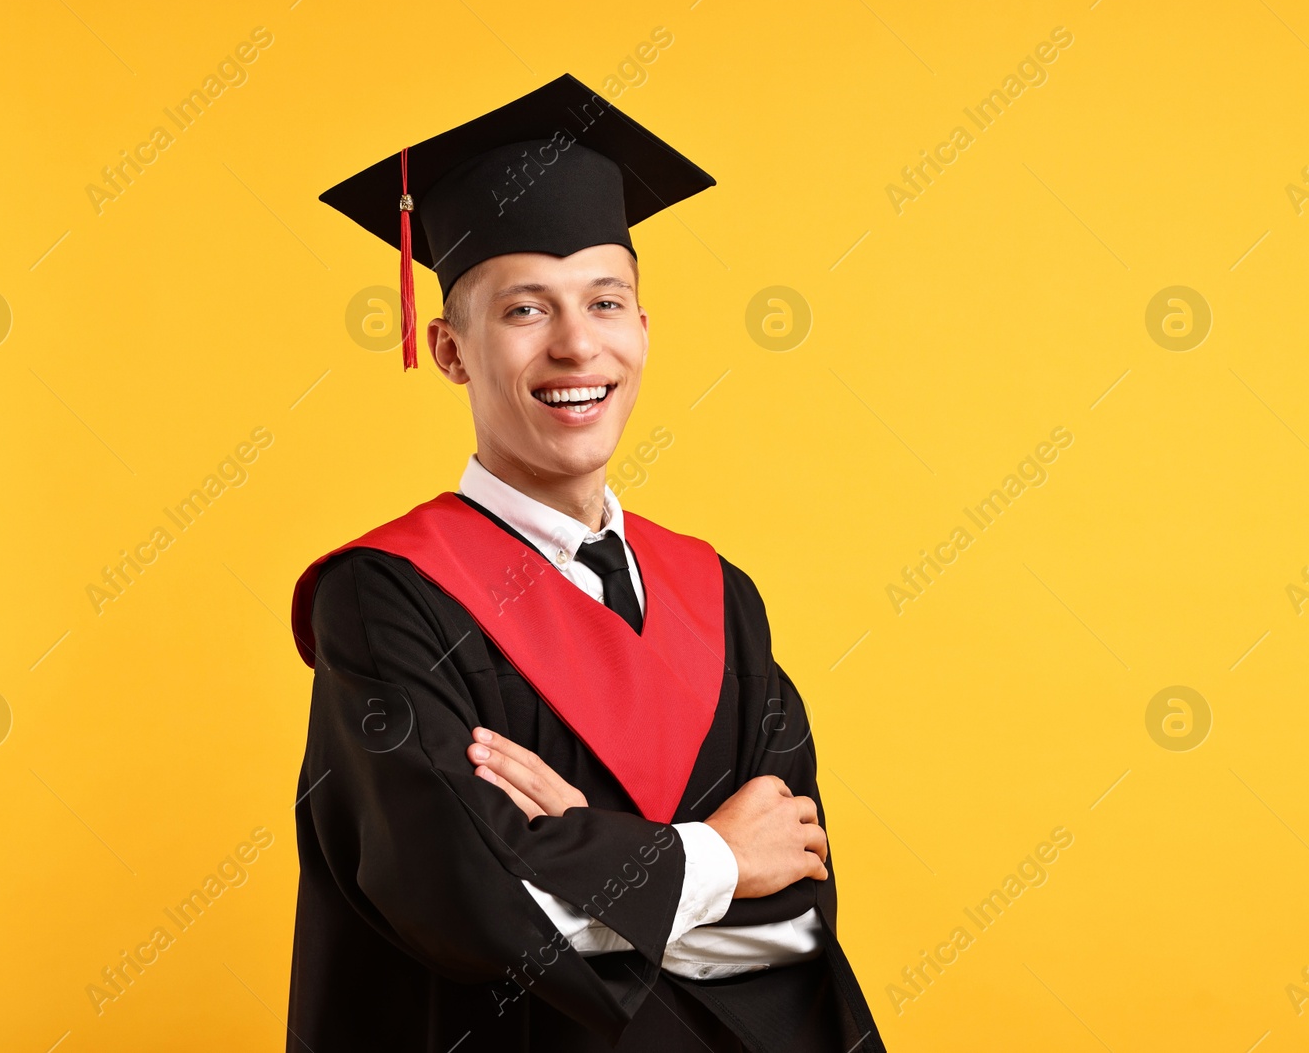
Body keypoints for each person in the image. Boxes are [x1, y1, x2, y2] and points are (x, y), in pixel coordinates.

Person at [287, 73, 886, 1053]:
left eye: (605, 302)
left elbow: (795, 907)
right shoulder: (386, 598)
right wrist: (706, 855)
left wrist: (601, 857)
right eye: (525, 310)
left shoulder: (720, 595)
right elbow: (459, 898)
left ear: (641, 331)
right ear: (448, 348)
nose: (576, 345)